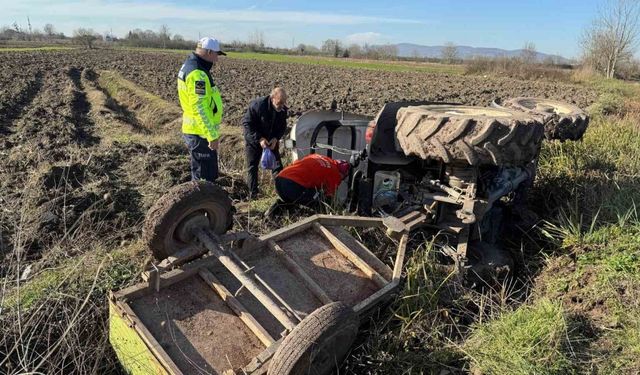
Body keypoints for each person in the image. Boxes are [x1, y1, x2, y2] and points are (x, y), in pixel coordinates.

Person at [177, 37, 226, 182]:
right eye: (216, 54)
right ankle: (202, 204)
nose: (217, 59)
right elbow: (200, 107)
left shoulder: (191, 65)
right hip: (200, 133)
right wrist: (211, 135)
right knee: (204, 179)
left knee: (205, 176)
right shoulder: (197, 74)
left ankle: (203, 203)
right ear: (209, 52)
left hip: (198, 131)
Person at [242, 87, 288, 197]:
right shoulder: (257, 105)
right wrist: (259, 139)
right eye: (279, 102)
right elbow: (247, 125)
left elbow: (282, 126)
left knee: (277, 168)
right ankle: (253, 195)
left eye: (284, 103)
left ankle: (282, 194)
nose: (282, 105)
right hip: (254, 141)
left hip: (271, 142)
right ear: (272, 98)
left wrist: (276, 138)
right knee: (252, 167)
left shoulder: (282, 109)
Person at [274, 154, 350, 206]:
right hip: (292, 184)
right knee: (319, 202)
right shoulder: (335, 173)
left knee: (292, 203)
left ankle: (277, 208)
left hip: (279, 179)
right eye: (343, 177)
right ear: (341, 173)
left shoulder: (320, 157)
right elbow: (328, 196)